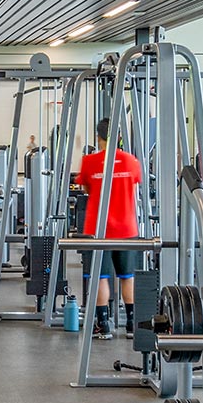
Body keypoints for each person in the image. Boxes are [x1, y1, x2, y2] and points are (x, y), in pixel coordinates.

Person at [74, 118, 144, 339]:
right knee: (127, 276)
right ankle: (132, 324)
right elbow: (135, 184)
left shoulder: (89, 161)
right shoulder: (131, 160)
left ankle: (103, 325)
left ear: (98, 137)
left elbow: (85, 189)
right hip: (126, 228)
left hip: (98, 229)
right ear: (120, 137)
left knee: (101, 277)